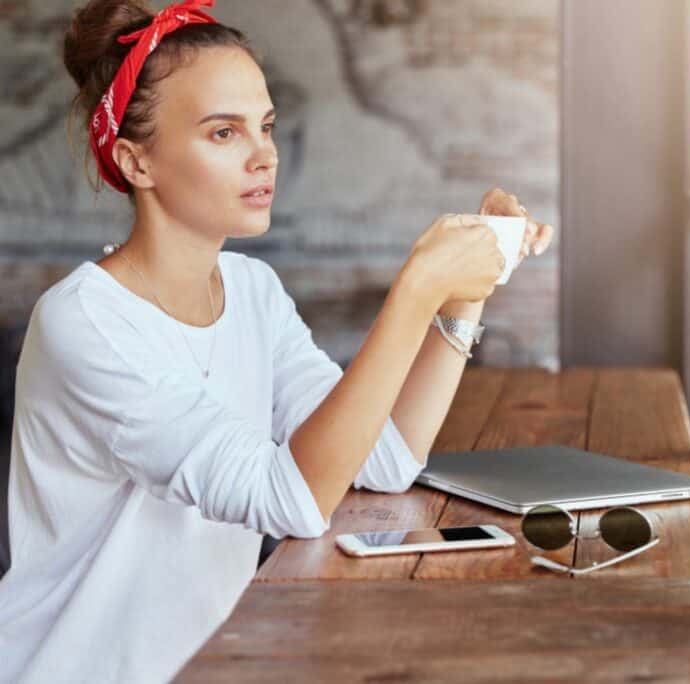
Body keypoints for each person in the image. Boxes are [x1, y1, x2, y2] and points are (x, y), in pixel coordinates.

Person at [0, 1, 555, 682]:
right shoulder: (86, 323)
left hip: (208, 667)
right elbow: (290, 498)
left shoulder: (251, 290)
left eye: (265, 125)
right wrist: (414, 292)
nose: (265, 154)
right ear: (135, 161)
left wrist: (466, 291)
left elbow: (383, 458)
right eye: (223, 132)